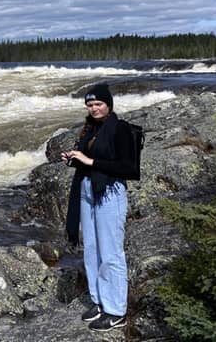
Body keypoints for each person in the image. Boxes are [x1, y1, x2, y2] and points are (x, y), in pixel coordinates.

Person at [61, 84, 136, 332]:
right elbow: (88, 161)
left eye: (98, 104)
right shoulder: (91, 128)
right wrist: (74, 158)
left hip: (110, 193)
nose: (94, 108)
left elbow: (129, 169)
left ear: (109, 105)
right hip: (87, 190)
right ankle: (99, 301)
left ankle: (116, 311)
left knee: (111, 252)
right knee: (91, 249)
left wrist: (89, 160)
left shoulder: (121, 129)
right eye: (90, 105)